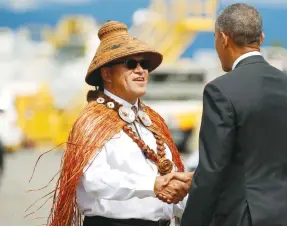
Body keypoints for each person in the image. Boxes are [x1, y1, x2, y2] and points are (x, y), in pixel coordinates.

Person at [39, 20, 193, 226]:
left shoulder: (152, 121)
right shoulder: (92, 121)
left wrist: (183, 187)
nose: (141, 70)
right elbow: (94, 179)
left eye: (144, 64)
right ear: (106, 73)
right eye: (131, 64)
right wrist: (153, 185)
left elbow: (168, 185)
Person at [180, 3, 287, 226]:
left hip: (244, 216)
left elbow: (212, 170)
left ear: (223, 38)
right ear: (261, 38)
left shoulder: (221, 90)